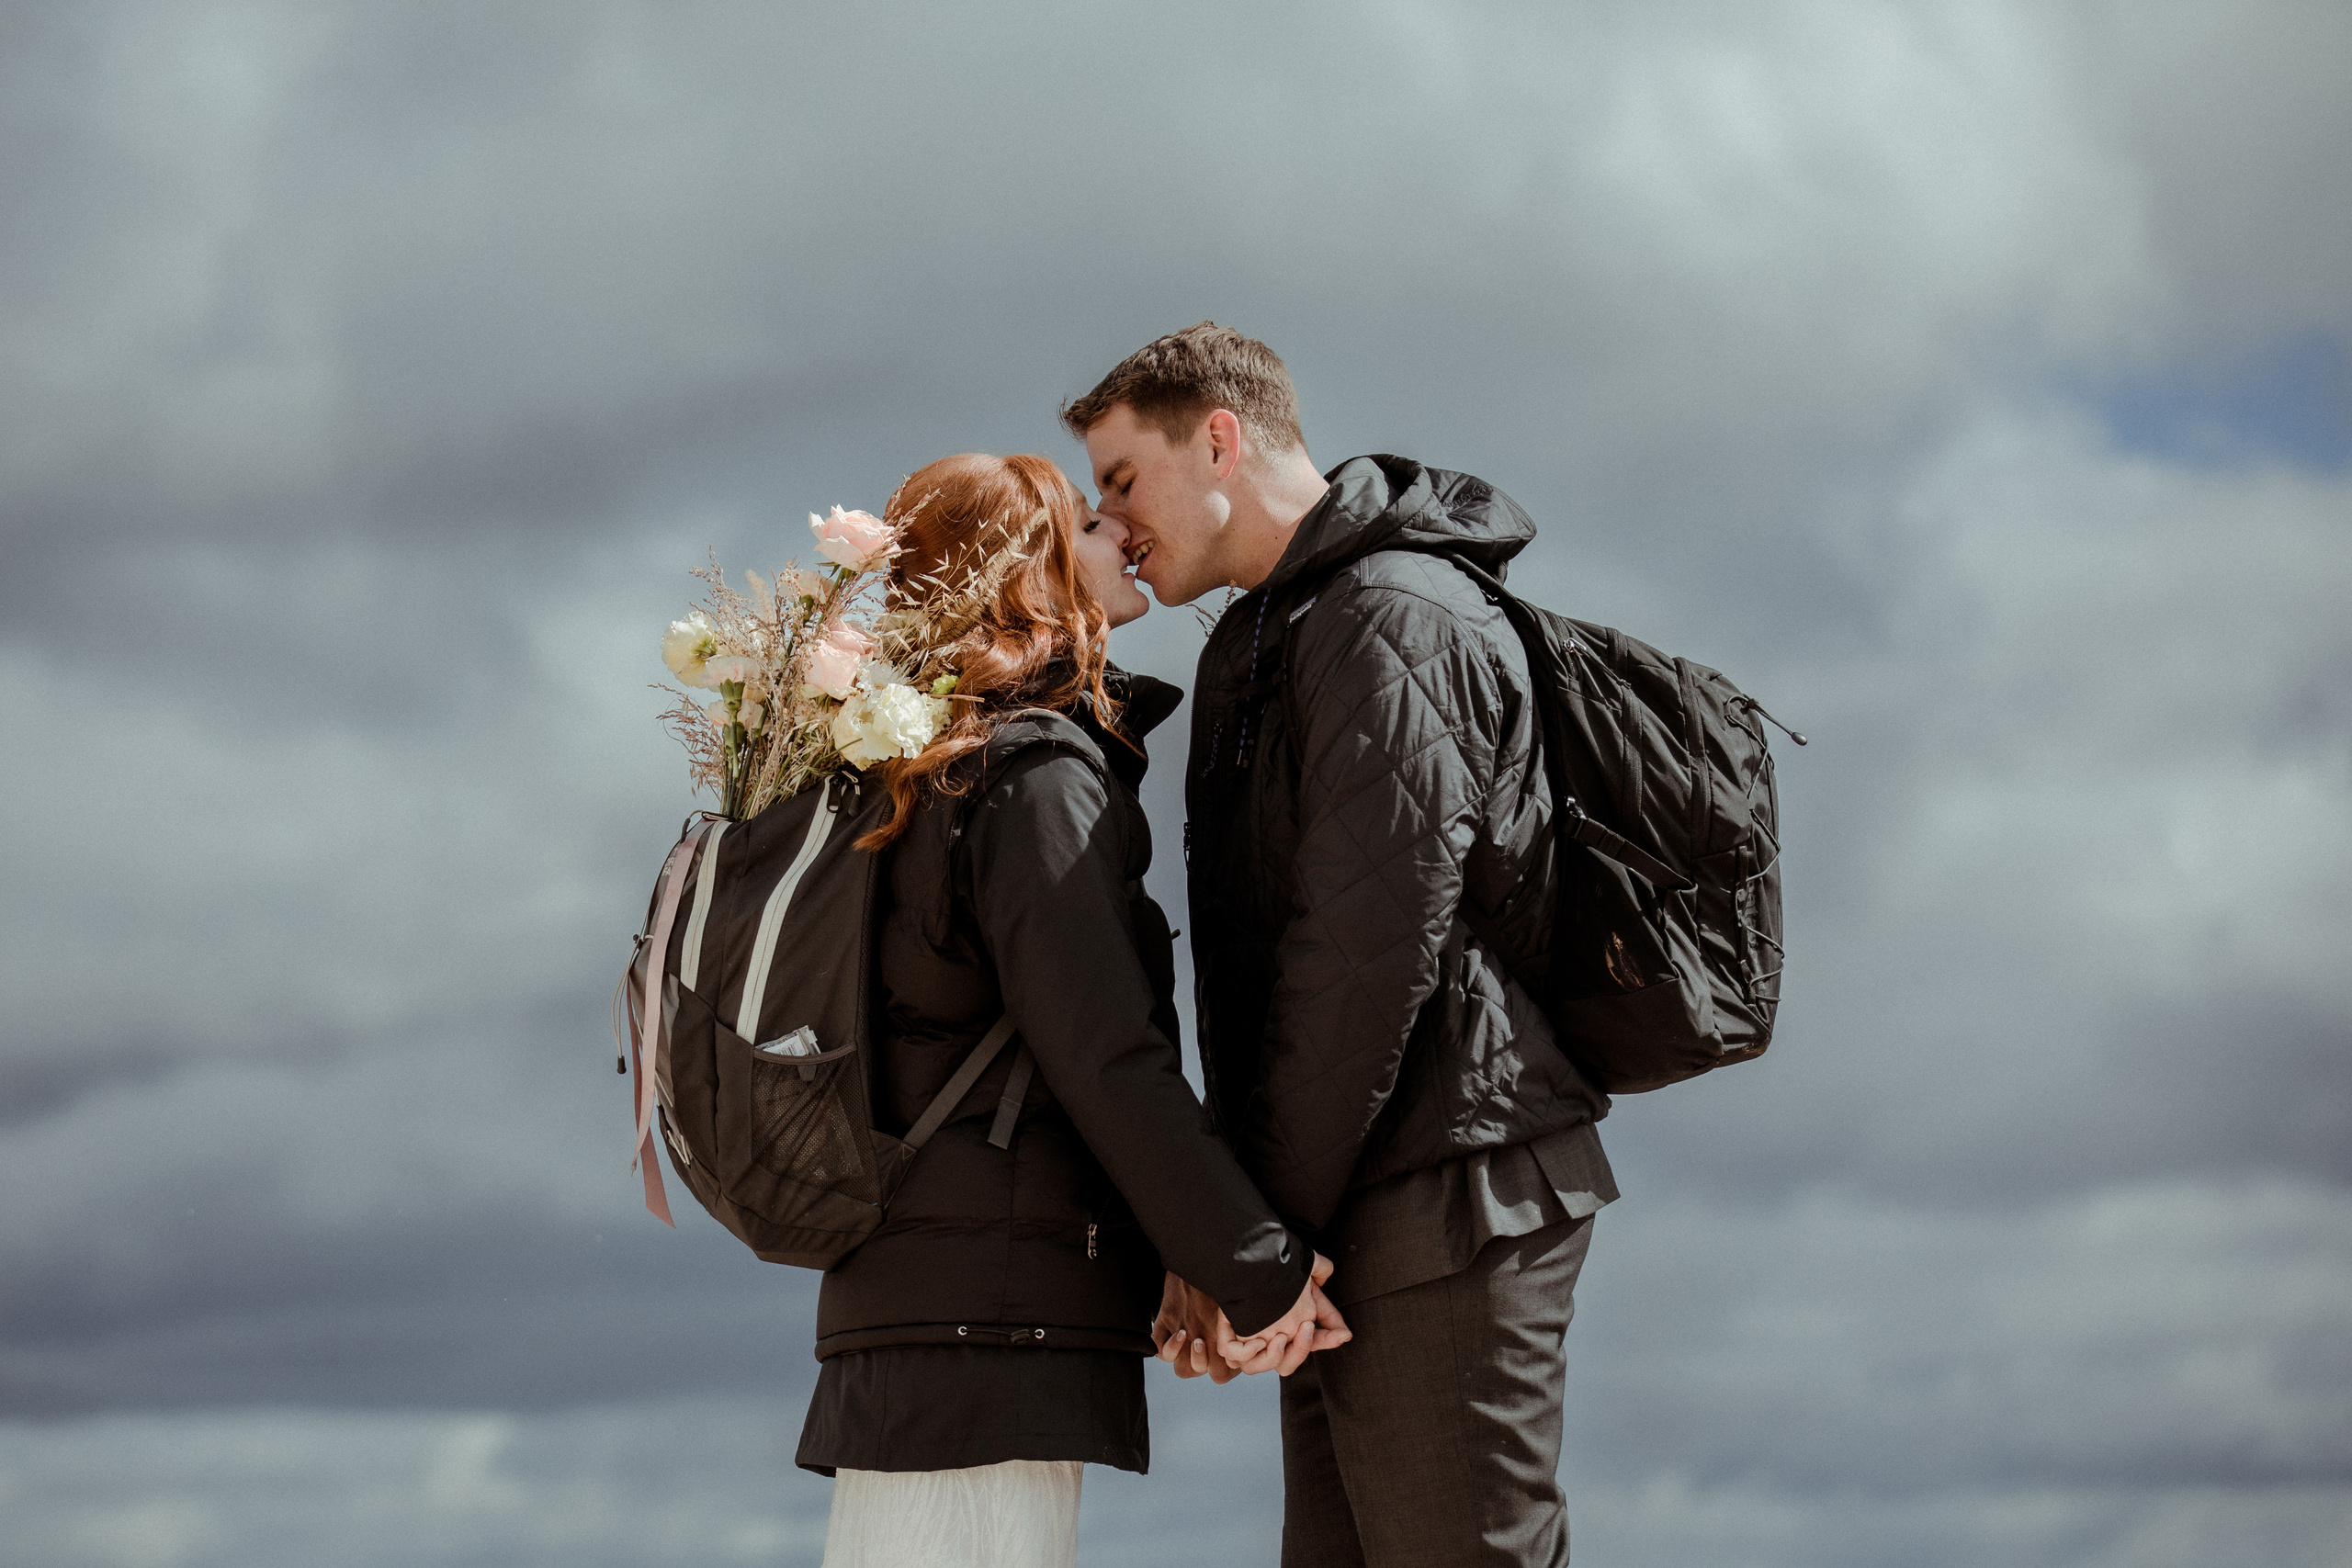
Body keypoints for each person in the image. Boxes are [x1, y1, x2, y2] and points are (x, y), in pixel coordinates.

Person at [1063, 325, 1621, 1568]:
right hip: (1350, 1204)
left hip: (1450, 1195)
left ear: (1218, 436)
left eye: (1118, 480)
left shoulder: (1392, 613)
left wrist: (1249, 1255)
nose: (1110, 520)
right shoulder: (1261, 636)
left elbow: (1364, 951)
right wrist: (1249, 1247)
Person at [795, 450, 1351, 1568]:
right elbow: (1105, 1055)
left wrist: (1188, 1260)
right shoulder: (1029, 775)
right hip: (981, 1323)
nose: (1122, 534)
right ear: (1032, 576)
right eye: (1091, 525)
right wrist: (1257, 1269)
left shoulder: (919, 770)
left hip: (931, 1303)